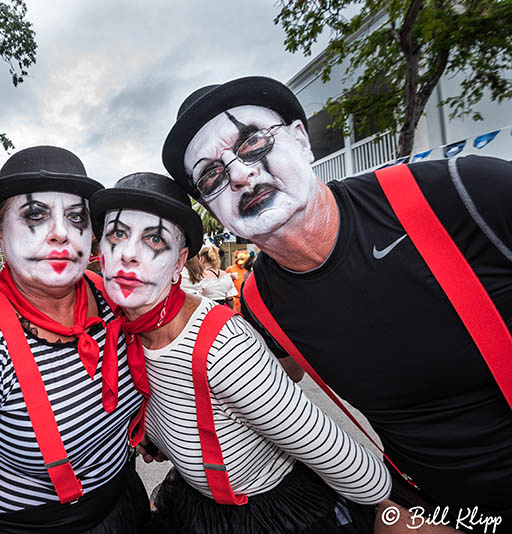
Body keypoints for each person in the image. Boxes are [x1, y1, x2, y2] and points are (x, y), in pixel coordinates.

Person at [162, 75, 512, 531]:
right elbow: (261, 390)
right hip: (431, 510)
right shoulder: (260, 300)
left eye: (252, 142)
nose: (239, 174)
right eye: (211, 174)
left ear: (302, 141)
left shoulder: (459, 193)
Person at [91, 172, 390, 533]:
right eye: (117, 234)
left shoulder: (223, 346)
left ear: (178, 262)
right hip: (195, 505)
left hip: (269, 517)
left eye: (154, 238)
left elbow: (337, 455)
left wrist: (394, 512)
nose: (127, 253)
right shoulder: (120, 333)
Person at [0, 146, 150, 534]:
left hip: (127, 501)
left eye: (76, 217)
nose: (60, 231)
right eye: (35, 215)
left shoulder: (115, 300)